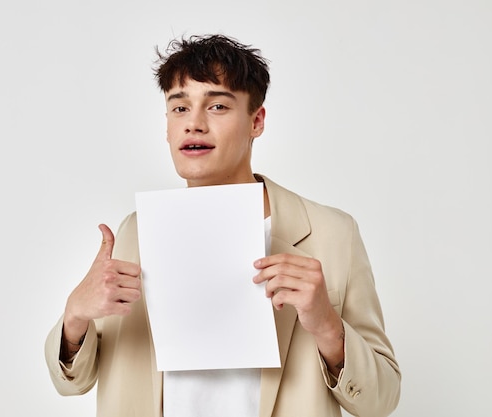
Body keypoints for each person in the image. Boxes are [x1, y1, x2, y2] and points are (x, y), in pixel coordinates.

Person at [45, 34, 401, 417]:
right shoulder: (135, 232)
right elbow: (73, 381)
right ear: (166, 125)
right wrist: (75, 316)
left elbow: (381, 400)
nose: (194, 124)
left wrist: (328, 326)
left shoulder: (333, 234)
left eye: (216, 106)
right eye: (179, 108)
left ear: (257, 120)